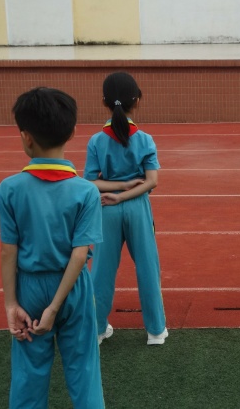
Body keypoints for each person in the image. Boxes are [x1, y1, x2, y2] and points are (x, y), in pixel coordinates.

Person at [0, 87, 104, 408]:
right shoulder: (86, 191)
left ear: (26, 137)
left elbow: (8, 251)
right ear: (72, 132)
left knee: (28, 375)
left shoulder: (9, 189)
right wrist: (55, 306)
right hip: (73, 287)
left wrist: (11, 304)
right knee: (84, 371)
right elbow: (79, 255)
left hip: (29, 287)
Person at [84, 72, 168, 345]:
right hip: (137, 208)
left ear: (104, 102)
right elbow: (152, 181)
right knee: (148, 267)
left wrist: (117, 191)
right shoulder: (145, 139)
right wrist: (126, 194)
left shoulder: (96, 141)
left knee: (101, 271)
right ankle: (155, 331)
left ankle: (97, 329)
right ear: (138, 100)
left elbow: (90, 182)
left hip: (106, 207)